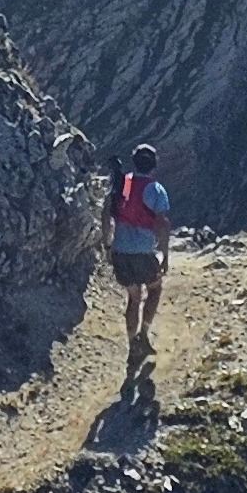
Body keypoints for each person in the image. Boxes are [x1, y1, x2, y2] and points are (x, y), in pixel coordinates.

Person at [108, 144, 174, 355]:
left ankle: (131, 344)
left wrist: (107, 245)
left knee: (134, 297)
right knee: (154, 288)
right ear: (154, 165)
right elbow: (162, 224)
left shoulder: (123, 184)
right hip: (144, 252)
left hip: (120, 250)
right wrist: (165, 255)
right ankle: (144, 335)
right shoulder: (156, 190)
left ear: (134, 162)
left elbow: (107, 212)